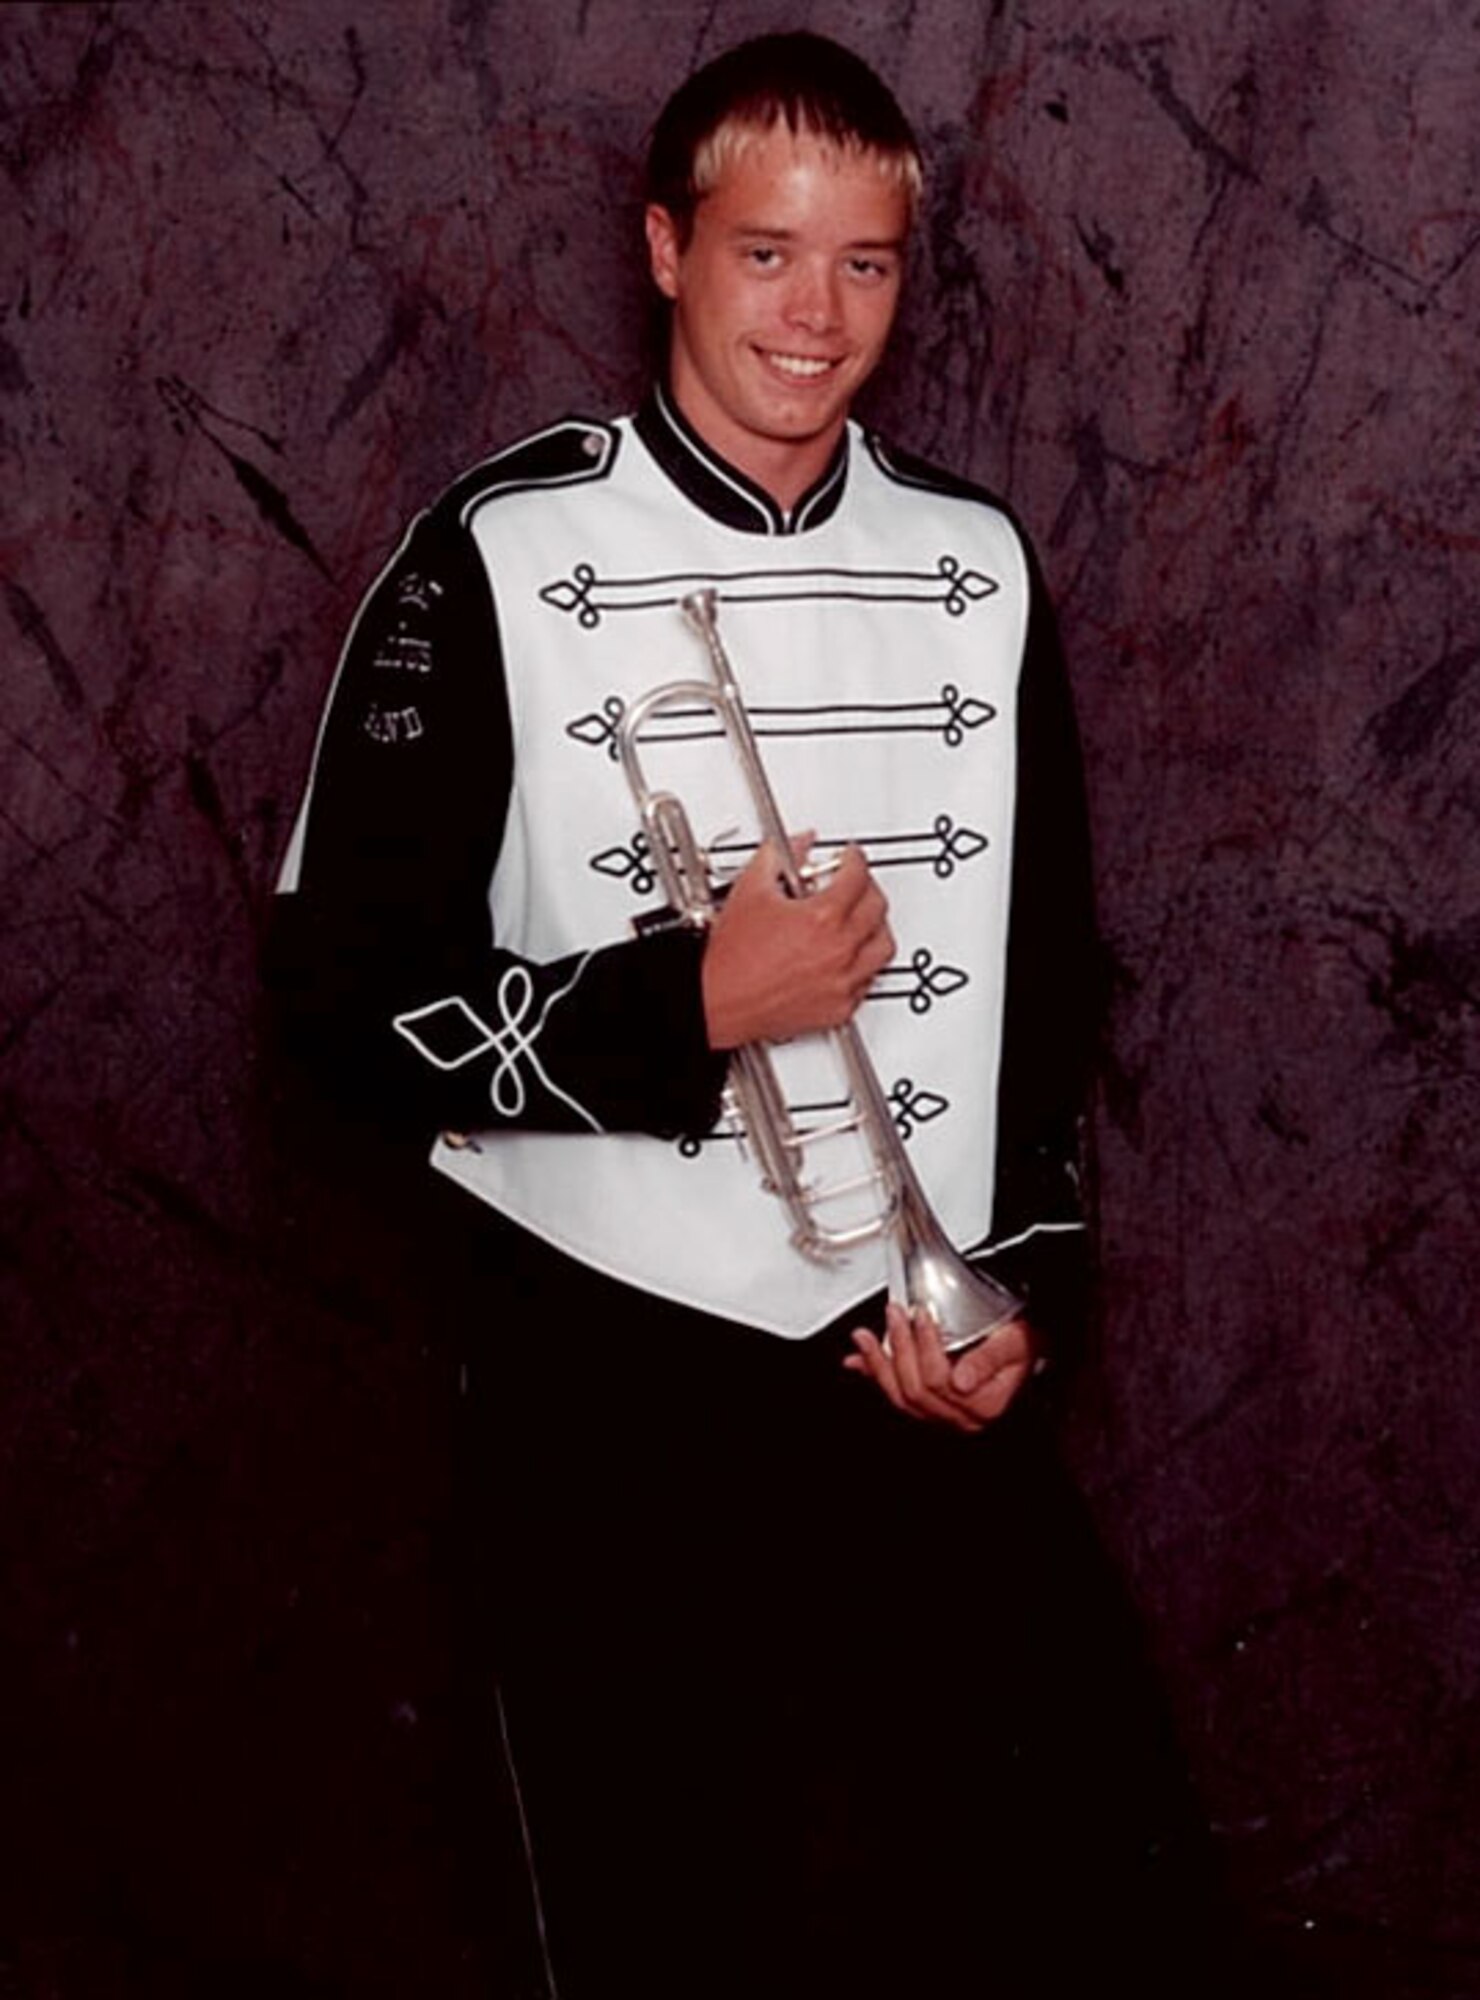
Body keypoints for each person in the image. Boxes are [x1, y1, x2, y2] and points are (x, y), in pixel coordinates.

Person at [268, 31, 1221, 1999]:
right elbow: (333, 1009)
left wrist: (1018, 1300)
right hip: (604, 1357)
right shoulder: (499, 551)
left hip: (900, 1342)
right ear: (663, 249)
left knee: (1094, 1897)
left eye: (862, 262)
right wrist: (681, 1001)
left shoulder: (974, 566)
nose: (813, 313)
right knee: (661, 1922)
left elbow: (1042, 999)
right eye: (765, 252)